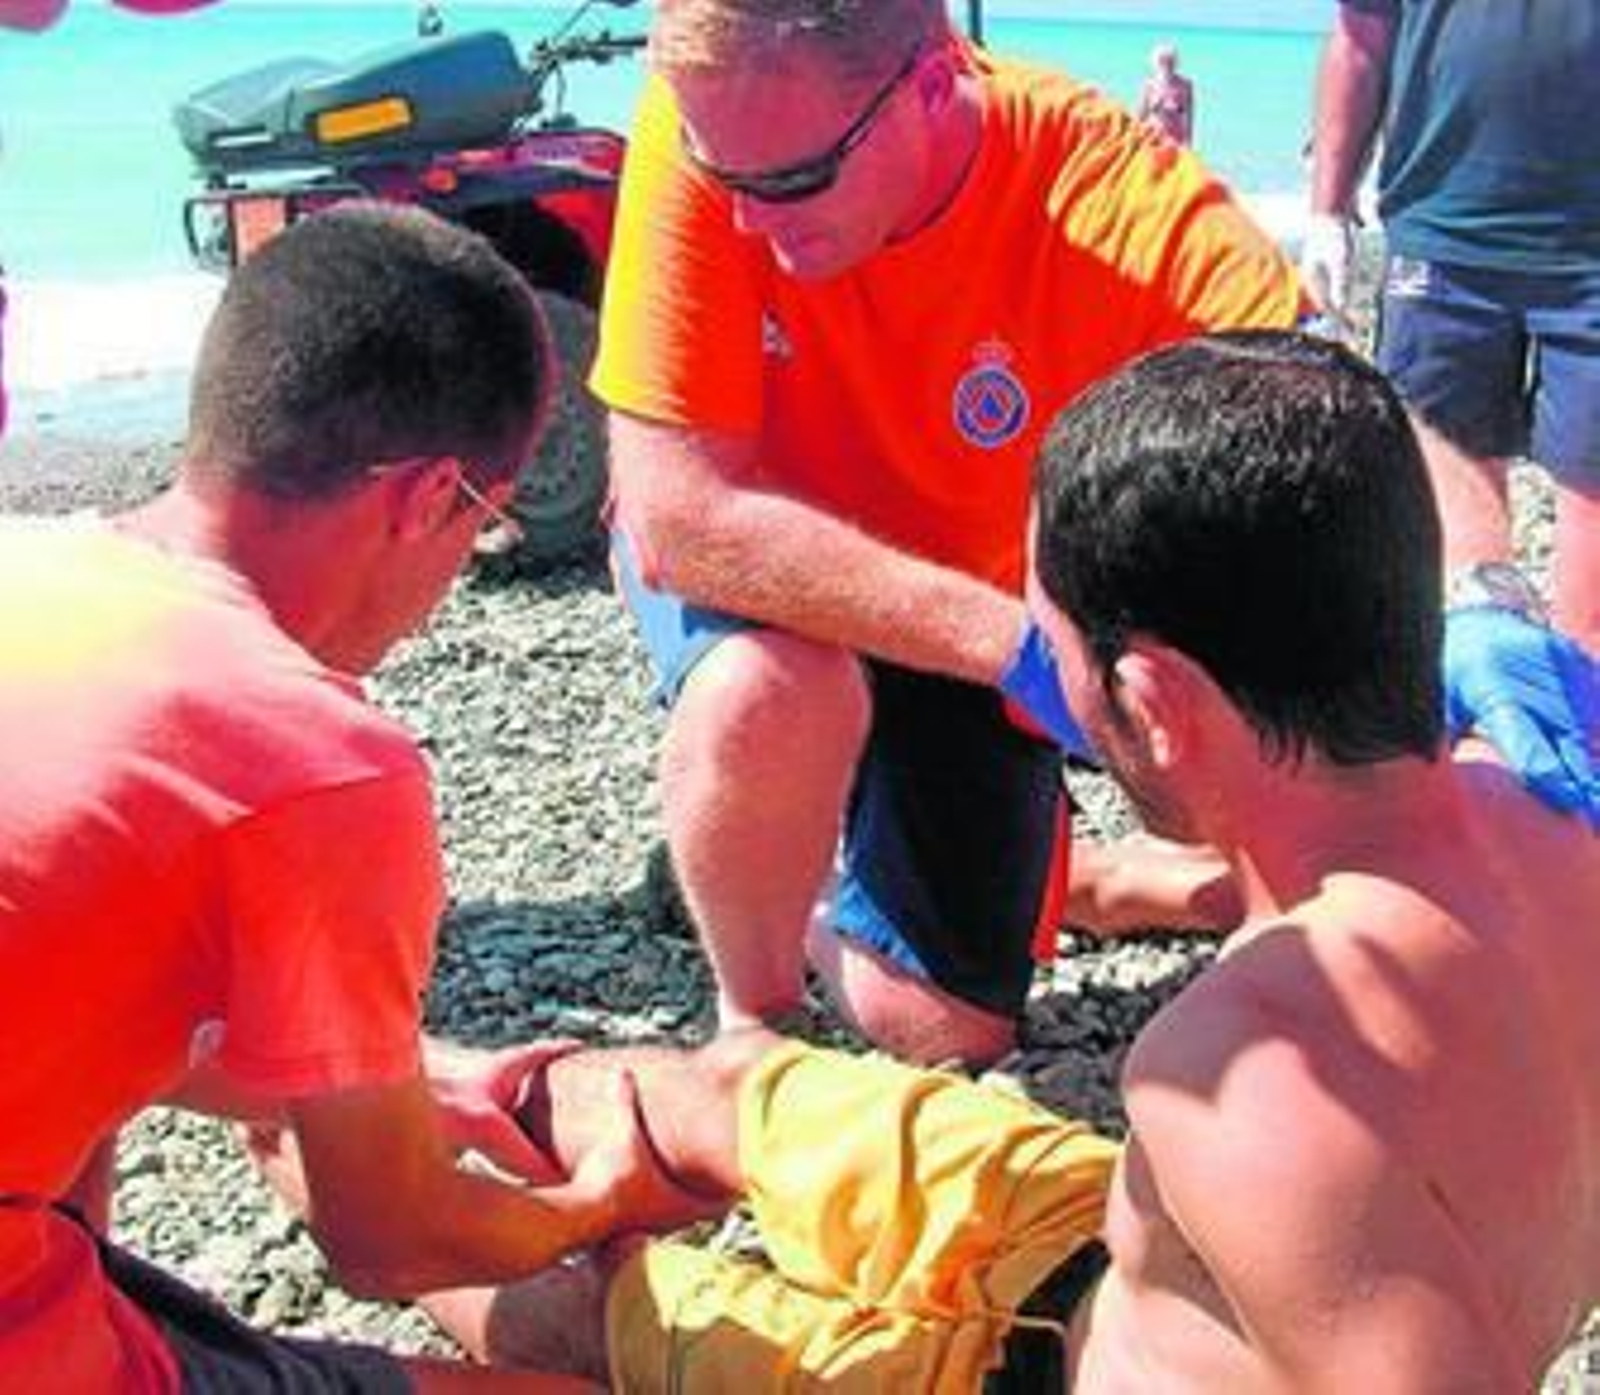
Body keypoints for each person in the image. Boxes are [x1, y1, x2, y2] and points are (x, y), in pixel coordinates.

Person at [427, 331, 1600, 1390]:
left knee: (581, 1324)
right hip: (1102, 1251)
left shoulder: (1265, 1073)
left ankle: (318, 1123)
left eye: (1050, 646)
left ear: (1148, 702)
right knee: (726, 1089)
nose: (1048, 685)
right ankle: (395, 1078)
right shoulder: (1549, 816)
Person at [0, 204, 695, 1391]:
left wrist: (402, 1077)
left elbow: (58, 964)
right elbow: (390, 1238)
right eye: (484, 521)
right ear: (429, 498)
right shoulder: (313, 757)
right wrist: (596, 1204)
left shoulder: (32, 565)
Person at [592, 0, 1308, 1069]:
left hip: (965, 600)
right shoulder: (725, 118)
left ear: (934, 83)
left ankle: (1055, 882)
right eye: (719, 175)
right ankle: (758, 1020)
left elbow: (1330, 429)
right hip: (791, 578)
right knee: (776, 691)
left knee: (940, 1030)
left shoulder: (1106, 199)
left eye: (790, 182)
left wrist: (1474, 596)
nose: (745, 222)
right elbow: (677, 522)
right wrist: (1018, 650)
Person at [1303, 1, 1600, 652]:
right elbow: (1360, 40)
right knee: (1454, 527)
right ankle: (1476, 705)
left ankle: (1587, 726)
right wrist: (1327, 210)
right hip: (1442, 235)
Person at [1136, 42, 1194, 147]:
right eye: (1162, 61)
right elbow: (1141, 114)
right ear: (1156, 62)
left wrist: (1189, 142)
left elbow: (1189, 116)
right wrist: (1137, 138)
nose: (1167, 64)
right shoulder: (1150, 84)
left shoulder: (1185, 84)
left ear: (1176, 62)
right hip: (1154, 135)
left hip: (1176, 137)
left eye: (1170, 61)